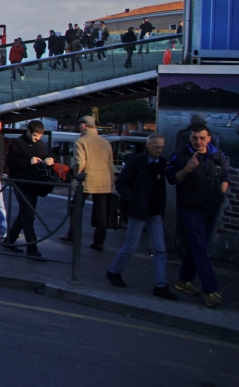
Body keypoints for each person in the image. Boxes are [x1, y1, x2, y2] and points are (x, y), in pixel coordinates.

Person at [105, 134, 176, 299]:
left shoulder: (162, 163)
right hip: (139, 210)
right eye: (156, 147)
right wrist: (133, 199)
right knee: (131, 245)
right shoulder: (136, 161)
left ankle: (161, 285)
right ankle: (114, 271)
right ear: (148, 146)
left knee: (160, 248)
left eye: (162, 147)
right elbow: (121, 183)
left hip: (155, 211)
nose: (159, 150)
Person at [166, 125, 230, 308]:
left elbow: (224, 177)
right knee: (200, 248)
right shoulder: (180, 155)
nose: (198, 141)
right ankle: (211, 291)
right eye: (194, 138)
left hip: (211, 208)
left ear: (209, 138)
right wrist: (187, 168)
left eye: (202, 138)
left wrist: (220, 194)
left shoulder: (217, 155)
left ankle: (183, 280)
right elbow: (172, 178)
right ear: (190, 138)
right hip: (190, 208)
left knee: (196, 245)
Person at [60, 116, 115, 250]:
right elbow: (110, 165)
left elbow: (80, 163)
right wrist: (112, 183)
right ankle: (99, 242)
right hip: (104, 180)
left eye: (80, 126)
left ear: (84, 126)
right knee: (102, 211)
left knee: (75, 207)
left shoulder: (81, 141)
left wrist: (75, 177)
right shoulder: (105, 142)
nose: (79, 128)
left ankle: (72, 234)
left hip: (87, 179)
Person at [4, 120, 54, 258]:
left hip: (33, 183)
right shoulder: (17, 143)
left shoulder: (40, 144)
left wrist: (49, 162)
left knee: (25, 213)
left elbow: (44, 159)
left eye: (39, 136)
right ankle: (32, 248)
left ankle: (10, 240)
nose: (37, 139)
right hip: (20, 182)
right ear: (28, 131)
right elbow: (10, 163)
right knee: (28, 214)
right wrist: (28, 161)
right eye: (35, 136)